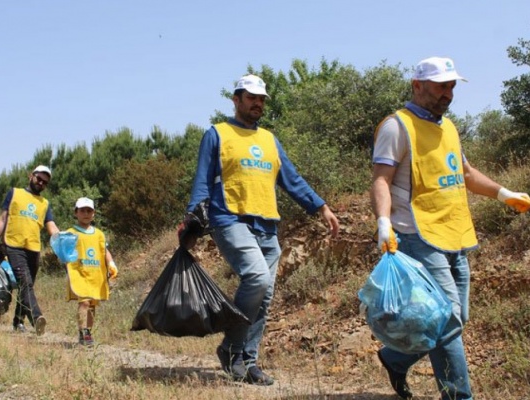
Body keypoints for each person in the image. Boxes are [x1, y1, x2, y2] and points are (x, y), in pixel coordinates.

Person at [370, 56, 530, 400]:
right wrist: (383, 223)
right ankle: (459, 396)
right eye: (441, 85)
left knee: (455, 318)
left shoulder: (449, 127)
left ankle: (395, 358)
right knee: (447, 320)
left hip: (455, 235)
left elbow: (467, 174)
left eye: (452, 86)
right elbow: (381, 180)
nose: (448, 93)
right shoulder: (397, 127)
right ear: (417, 85)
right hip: (417, 235)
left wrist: (504, 194)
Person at [182, 74, 340, 385]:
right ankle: (231, 348)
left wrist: (321, 207)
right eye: (251, 97)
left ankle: (248, 360)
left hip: (266, 223)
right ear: (236, 99)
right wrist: (193, 217)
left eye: (262, 98)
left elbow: (291, 179)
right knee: (257, 277)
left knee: (264, 295)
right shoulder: (217, 134)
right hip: (229, 218)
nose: (257, 103)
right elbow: (202, 178)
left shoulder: (269, 140)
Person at [0, 165, 60, 335]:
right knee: (25, 282)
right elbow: (2, 218)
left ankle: (18, 321)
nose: (41, 183)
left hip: (33, 248)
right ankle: (36, 317)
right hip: (13, 245)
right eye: (38, 178)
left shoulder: (44, 204)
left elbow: (51, 226)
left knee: (26, 285)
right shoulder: (15, 193)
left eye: (45, 182)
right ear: (30, 176)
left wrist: (62, 239)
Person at [64, 197, 118, 346]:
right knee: (84, 303)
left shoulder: (99, 234)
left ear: (93, 214)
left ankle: (88, 331)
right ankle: (83, 332)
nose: (86, 213)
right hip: (79, 274)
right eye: (82, 210)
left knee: (92, 305)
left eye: (89, 210)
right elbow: (63, 251)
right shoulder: (70, 233)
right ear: (76, 213)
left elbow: (104, 250)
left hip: (95, 275)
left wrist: (111, 264)